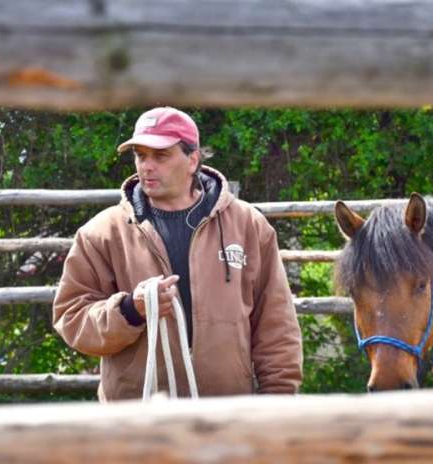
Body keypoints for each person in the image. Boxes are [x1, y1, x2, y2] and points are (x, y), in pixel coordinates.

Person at [52, 107, 303, 401]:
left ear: (192, 159)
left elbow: (276, 323)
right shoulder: (102, 233)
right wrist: (130, 311)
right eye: (140, 155)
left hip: (228, 417)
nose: (146, 166)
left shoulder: (248, 225)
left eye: (160, 156)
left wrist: (278, 400)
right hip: (137, 421)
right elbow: (72, 319)